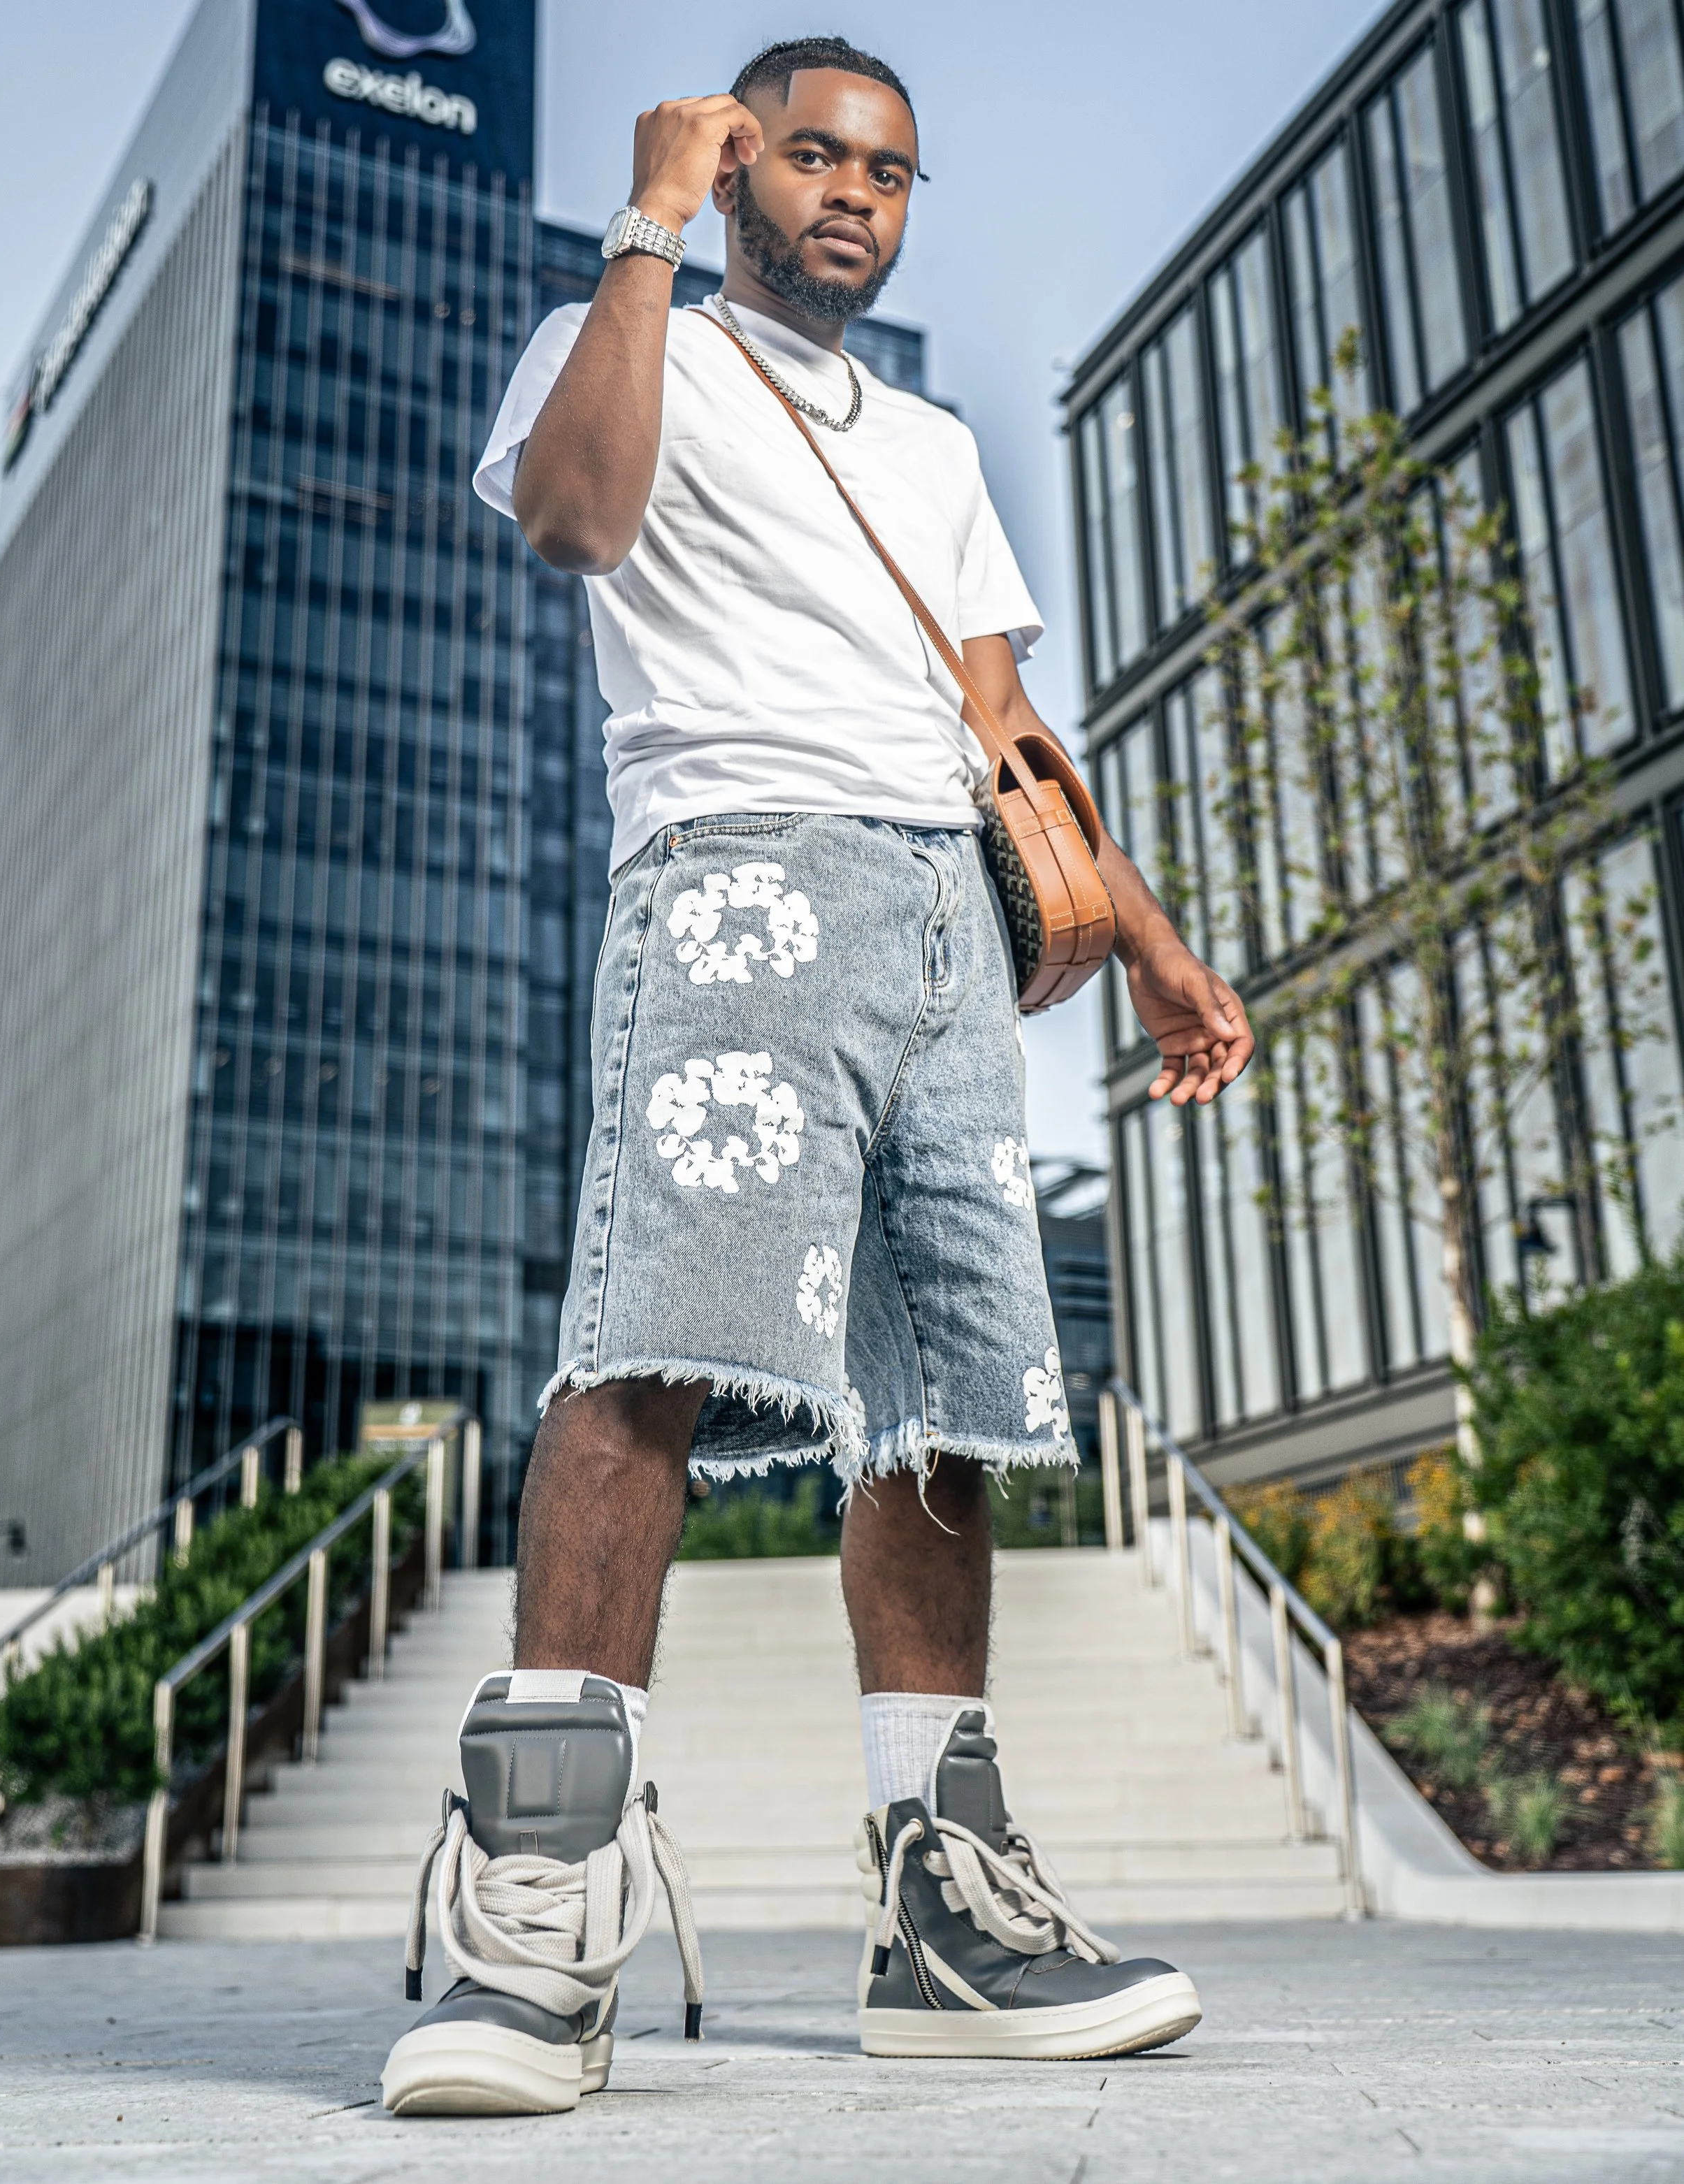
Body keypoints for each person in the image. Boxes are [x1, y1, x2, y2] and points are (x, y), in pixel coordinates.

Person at [380, 35, 1254, 2119]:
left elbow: (1002, 735)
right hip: (736, 888)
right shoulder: (612, 338)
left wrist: (1144, 938)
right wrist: (646, 220)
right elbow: (578, 522)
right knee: (651, 1344)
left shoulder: (938, 451)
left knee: (937, 1400)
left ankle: (941, 1909)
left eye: (890, 169)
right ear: (735, 153)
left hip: (949, 919)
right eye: (815, 154)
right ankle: (537, 1905)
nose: (856, 192)